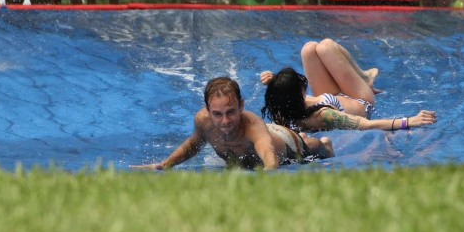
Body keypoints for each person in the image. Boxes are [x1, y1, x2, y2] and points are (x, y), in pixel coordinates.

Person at [130, 77, 334, 170]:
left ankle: (324, 144)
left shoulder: (252, 126)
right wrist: (164, 165)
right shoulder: (204, 121)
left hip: (284, 141)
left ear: (241, 106)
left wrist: (268, 173)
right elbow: (193, 144)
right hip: (265, 137)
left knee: (310, 147)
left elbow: (269, 157)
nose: (225, 121)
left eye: (230, 112)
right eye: (217, 114)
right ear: (208, 111)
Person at [259, 39, 436, 132]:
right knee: (326, 46)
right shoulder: (324, 115)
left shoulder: (282, 109)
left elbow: (281, 95)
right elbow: (366, 125)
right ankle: (365, 77)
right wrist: (409, 121)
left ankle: (360, 77)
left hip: (333, 98)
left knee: (309, 49)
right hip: (359, 99)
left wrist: (275, 82)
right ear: (300, 93)